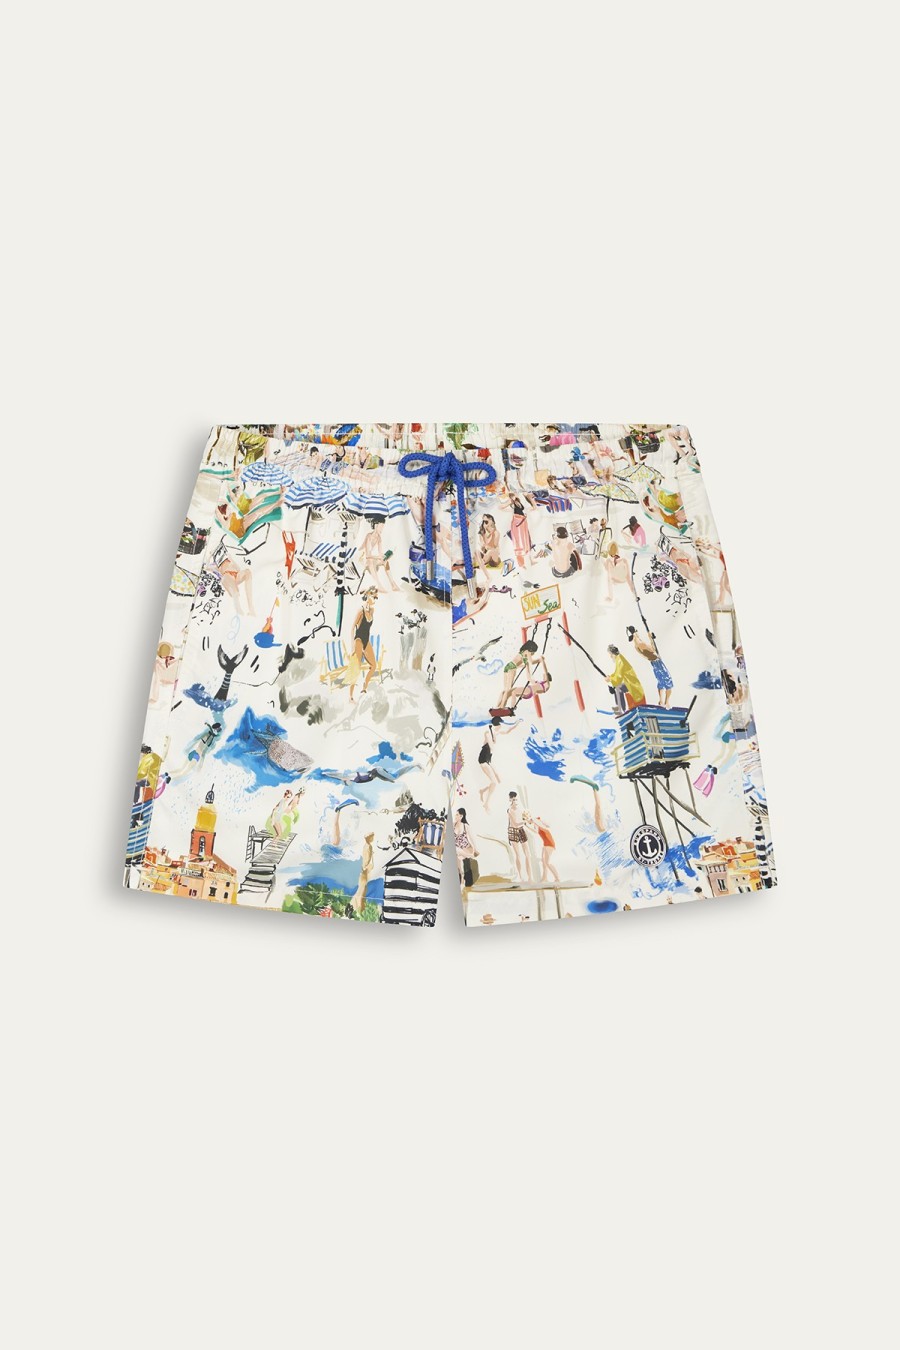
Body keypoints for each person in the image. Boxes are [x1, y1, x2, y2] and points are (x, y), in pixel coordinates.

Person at [626, 625, 674, 706]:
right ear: (635, 633)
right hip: (657, 662)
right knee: (668, 681)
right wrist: (650, 638)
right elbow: (653, 650)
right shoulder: (640, 643)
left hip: (654, 663)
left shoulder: (636, 644)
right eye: (636, 631)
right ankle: (666, 702)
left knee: (660, 681)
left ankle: (661, 701)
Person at [477, 716, 516, 810]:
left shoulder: (495, 732)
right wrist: (494, 740)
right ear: (498, 724)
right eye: (501, 724)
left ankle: (482, 791)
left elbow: (507, 731)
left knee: (498, 779)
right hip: (483, 759)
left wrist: (516, 724)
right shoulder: (488, 732)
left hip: (488, 759)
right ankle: (486, 803)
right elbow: (491, 744)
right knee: (494, 782)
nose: (502, 726)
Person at [349, 588, 379, 701]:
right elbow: (352, 628)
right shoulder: (360, 612)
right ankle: (351, 696)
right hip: (359, 640)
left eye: (376, 597)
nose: (375, 599)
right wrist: (352, 647)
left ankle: (364, 687)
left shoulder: (372, 611)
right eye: (374, 597)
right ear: (368, 596)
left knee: (373, 666)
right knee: (356, 668)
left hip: (366, 640)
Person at [361, 517, 400, 592]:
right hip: (364, 558)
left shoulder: (379, 537)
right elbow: (367, 555)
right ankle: (378, 585)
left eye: (383, 527)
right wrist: (378, 557)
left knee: (385, 561)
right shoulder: (369, 536)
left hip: (372, 558)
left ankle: (393, 584)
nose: (382, 529)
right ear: (376, 525)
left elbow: (380, 552)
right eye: (381, 526)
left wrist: (385, 557)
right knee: (370, 561)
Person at [607, 645, 645, 715]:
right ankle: (620, 710)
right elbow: (616, 673)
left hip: (632, 685)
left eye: (610, 655)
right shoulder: (619, 659)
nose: (610, 657)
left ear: (613, 653)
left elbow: (618, 678)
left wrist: (610, 679)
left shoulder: (620, 660)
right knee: (617, 688)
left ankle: (620, 711)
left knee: (618, 689)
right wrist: (610, 677)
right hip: (629, 683)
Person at [524, 812, 561, 884]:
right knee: (544, 862)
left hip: (549, 843)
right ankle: (544, 878)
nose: (527, 821)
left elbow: (538, 830)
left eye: (526, 819)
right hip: (546, 843)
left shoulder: (536, 820)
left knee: (547, 863)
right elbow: (537, 831)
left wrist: (528, 825)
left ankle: (557, 878)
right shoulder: (536, 822)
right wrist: (528, 826)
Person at [507, 792, 532, 883]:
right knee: (518, 855)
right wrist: (525, 821)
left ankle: (530, 877)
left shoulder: (520, 809)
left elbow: (523, 821)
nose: (515, 801)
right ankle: (521, 877)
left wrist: (528, 821)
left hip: (521, 830)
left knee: (527, 854)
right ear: (510, 800)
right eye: (513, 800)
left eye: (516, 799)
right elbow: (515, 823)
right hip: (513, 831)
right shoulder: (510, 810)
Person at [453, 808, 479, 884]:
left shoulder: (465, 826)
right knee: (456, 854)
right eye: (455, 814)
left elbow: (471, 838)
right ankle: (461, 878)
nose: (455, 816)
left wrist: (475, 849)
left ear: (461, 816)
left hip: (465, 849)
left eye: (457, 815)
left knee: (457, 853)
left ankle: (462, 878)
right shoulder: (453, 825)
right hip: (457, 849)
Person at [509, 496, 533, 567]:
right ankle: (521, 564)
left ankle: (529, 561)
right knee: (519, 542)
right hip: (518, 521)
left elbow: (522, 509)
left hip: (522, 520)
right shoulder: (512, 504)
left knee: (526, 539)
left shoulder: (518, 502)